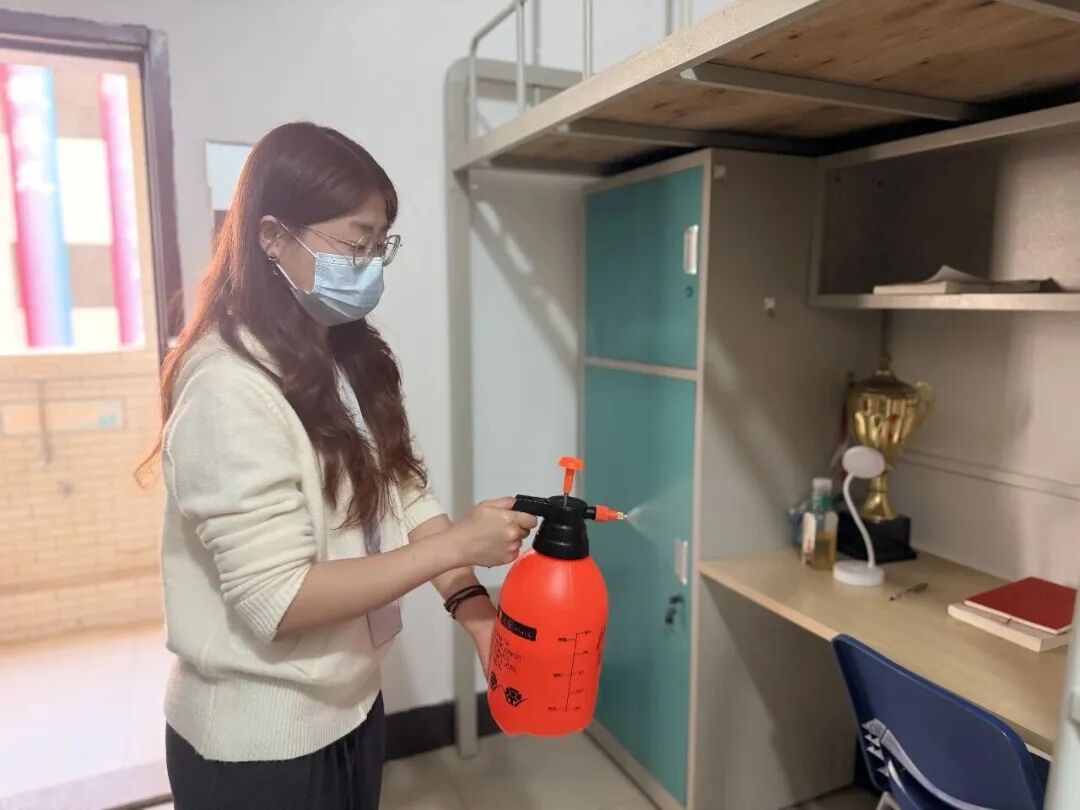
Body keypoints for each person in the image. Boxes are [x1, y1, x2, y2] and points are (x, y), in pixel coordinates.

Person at [140, 122, 536, 809]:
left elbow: (405, 494)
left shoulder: (346, 355)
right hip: (256, 745)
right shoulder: (227, 386)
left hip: (350, 707)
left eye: (381, 246)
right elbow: (280, 598)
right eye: (356, 244)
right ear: (272, 237)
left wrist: (475, 611)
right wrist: (460, 544)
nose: (371, 265)